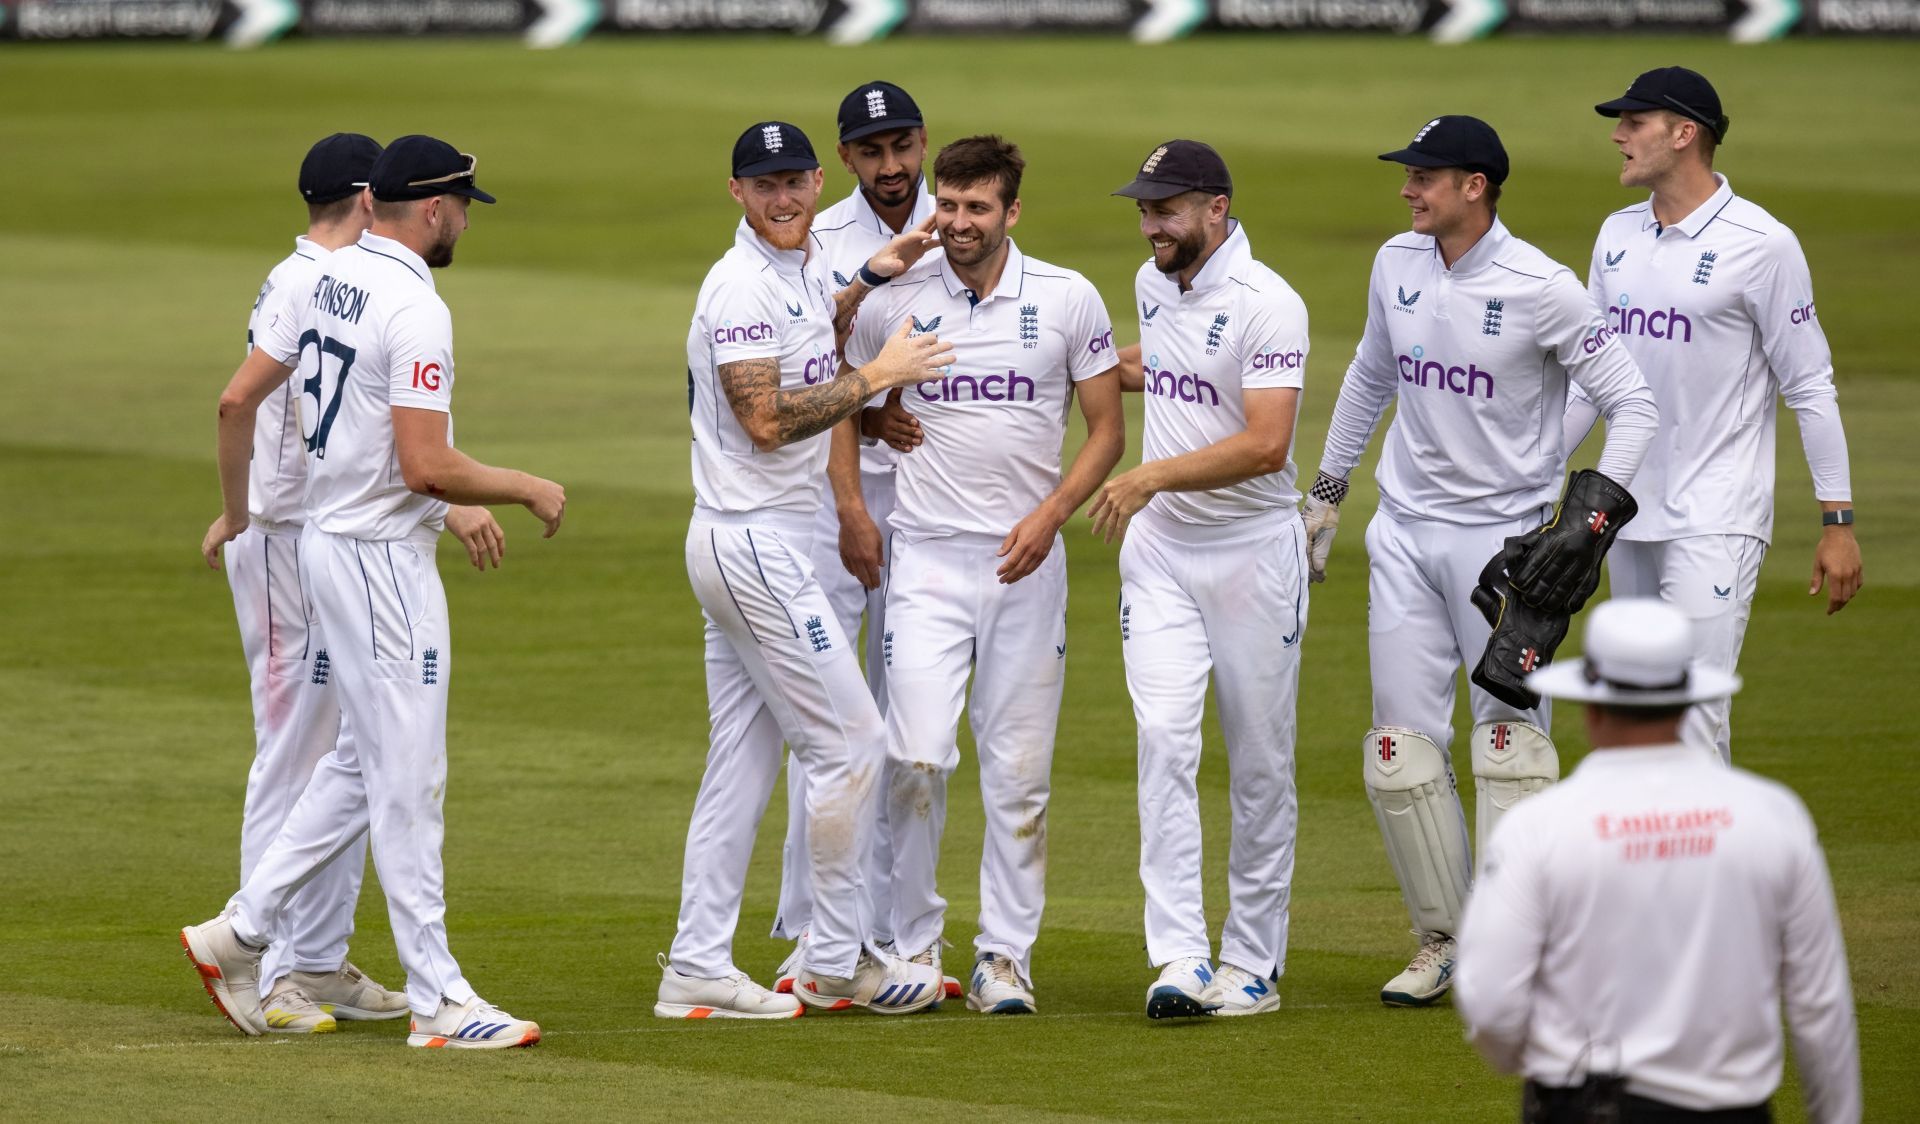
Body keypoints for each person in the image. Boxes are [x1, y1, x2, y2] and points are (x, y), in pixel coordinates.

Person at [185, 135, 562, 1050]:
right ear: (432, 210)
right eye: (465, 205)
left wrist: (240, 512)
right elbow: (425, 465)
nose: (467, 220)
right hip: (381, 562)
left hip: (326, 543)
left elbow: (242, 394)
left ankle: (238, 933)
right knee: (408, 778)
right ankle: (439, 1000)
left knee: (358, 763)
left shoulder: (323, 276)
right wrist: (522, 484)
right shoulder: (415, 306)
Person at [1302, 116, 1659, 1007]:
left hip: (1506, 548)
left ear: (1476, 186)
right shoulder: (1397, 263)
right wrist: (1328, 491)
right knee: (1400, 752)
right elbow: (1369, 376)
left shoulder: (1543, 287)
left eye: (1425, 175)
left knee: (1509, 747)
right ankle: (1444, 941)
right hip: (1403, 533)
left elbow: (1635, 405)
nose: (1407, 188)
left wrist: (1586, 525)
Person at [656, 121, 953, 1019]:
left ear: (818, 183)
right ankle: (831, 963)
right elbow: (766, 420)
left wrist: (872, 274)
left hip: (747, 538)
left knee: (742, 758)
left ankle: (697, 964)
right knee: (853, 740)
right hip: (757, 542)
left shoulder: (793, 271)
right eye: (764, 185)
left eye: (795, 183)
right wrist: (881, 375)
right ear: (737, 194)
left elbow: (812, 326)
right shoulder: (742, 282)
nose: (783, 198)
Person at [842, 134, 1125, 1015]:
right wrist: (868, 457)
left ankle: (1006, 957)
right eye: (949, 207)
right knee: (915, 757)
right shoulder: (900, 300)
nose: (959, 224)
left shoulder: (1068, 298)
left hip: (1026, 566)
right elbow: (836, 398)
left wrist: (1050, 517)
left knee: (1017, 773)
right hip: (924, 559)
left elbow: (1107, 431)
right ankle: (915, 944)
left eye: (977, 209)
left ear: (1011, 212)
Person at [1456, 597, 1861, 1123]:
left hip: (1584, 1105)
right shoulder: (1772, 817)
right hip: (1730, 1109)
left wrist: (1549, 1066)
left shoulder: (1540, 827)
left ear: (1592, 706)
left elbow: (1490, 1003)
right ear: (1688, 702)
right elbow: (1821, 1009)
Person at [1571, 67, 1863, 762]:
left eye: (1634, 123)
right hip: (1626, 514)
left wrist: (1838, 523)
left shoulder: (1762, 244)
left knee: (1692, 722)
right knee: (1635, 718)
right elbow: (1589, 381)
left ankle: (1708, 872)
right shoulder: (1615, 236)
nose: (1618, 136)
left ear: (1683, 133)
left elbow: (1810, 386)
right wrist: (1528, 479)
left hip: (1716, 516)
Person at [189, 132, 407, 1035]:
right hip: (284, 541)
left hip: (314, 535)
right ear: (362, 199)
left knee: (347, 744)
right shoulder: (300, 283)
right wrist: (239, 512)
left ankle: (311, 960)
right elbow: (235, 402)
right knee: (293, 754)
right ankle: (263, 966)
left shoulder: (327, 280)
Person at [1089, 140, 1311, 1019]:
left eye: (1167, 210)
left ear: (1216, 209)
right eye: (1145, 210)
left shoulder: (1271, 304)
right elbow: (1166, 366)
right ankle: (1180, 956)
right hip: (1164, 558)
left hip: (1254, 553)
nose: (1151, 227)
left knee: (1259, 762)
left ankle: (1251, 961)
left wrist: (1145, 477)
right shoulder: (1158, 282)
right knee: (1165, 744)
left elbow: (1266, 444)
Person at [771, 80, 938, 990]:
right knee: (835, 721)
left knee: (910, 727)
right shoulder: (820, 240)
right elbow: (807, 364)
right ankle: (814, 932)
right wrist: (854, 489)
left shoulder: (963, 223)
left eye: (902, 146)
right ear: (845, 159)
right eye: (871, 152)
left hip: (938, 510)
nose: (891, 167)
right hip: (833, 503)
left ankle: (903, 932)